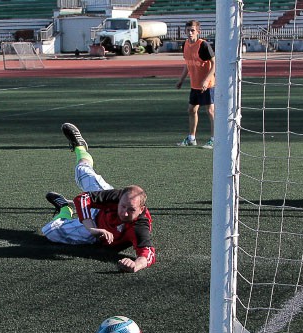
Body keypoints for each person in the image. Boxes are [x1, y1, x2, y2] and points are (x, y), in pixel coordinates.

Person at [42, 123, 156, 273]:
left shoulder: (139, 225)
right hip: (94, 223)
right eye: (123, 207)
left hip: (98, 236)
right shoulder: (115, 196)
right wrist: (92, 228)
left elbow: (148, 254)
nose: (125, 213)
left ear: (141, 209)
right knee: (82, 172)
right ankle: (80, 147)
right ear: (120, 198)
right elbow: (82, 198)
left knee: (50, 231)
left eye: (131, 210)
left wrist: (136, 265)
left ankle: (65, 208)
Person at [175, 20, 216, 149]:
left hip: (207, 85)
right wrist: (181, 80)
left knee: (210, 111)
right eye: (188, 30)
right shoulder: (186, 45)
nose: (190, 33)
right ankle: (191, 138)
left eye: (192, 30)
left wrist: (206, 80)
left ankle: (215, 139)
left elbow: (215, 64)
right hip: (195, 85)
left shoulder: (203, 45)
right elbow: (188, 64)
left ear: (198, 31)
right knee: (192, 110)